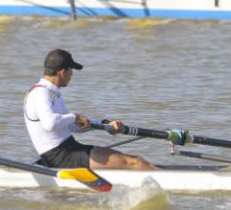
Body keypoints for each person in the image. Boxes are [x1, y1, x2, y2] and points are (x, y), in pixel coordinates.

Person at [24, 49, 158, 170]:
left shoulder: (51, 92)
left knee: (133, 161)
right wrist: (75, 116)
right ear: (63, 72)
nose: (72, 75)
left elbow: (72, 127)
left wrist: (105, 124)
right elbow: (50, 124)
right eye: (71, 70)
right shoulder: (41, 93)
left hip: (69, 149)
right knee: (136, 162)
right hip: (59, 156)